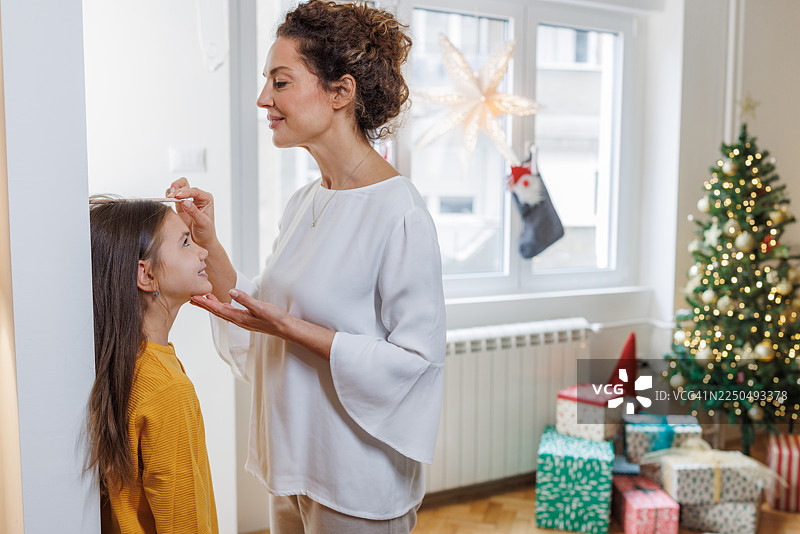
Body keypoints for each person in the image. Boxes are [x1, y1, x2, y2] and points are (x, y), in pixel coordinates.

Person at [167, 1, 446, 532]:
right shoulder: (305, 201)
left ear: (340, 93)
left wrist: (289, 328)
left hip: (355, 480)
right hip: (292, 463)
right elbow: (266, 312)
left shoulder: (400, 213)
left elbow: (415, 360)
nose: (263, 99)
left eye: (281, 81)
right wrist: (209, 243)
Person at [85, 198, 218, 534]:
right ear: (146, 275)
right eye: (186, 242)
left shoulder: (120, 362)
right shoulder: (168, 390)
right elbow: (184, 521)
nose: (202, 251)